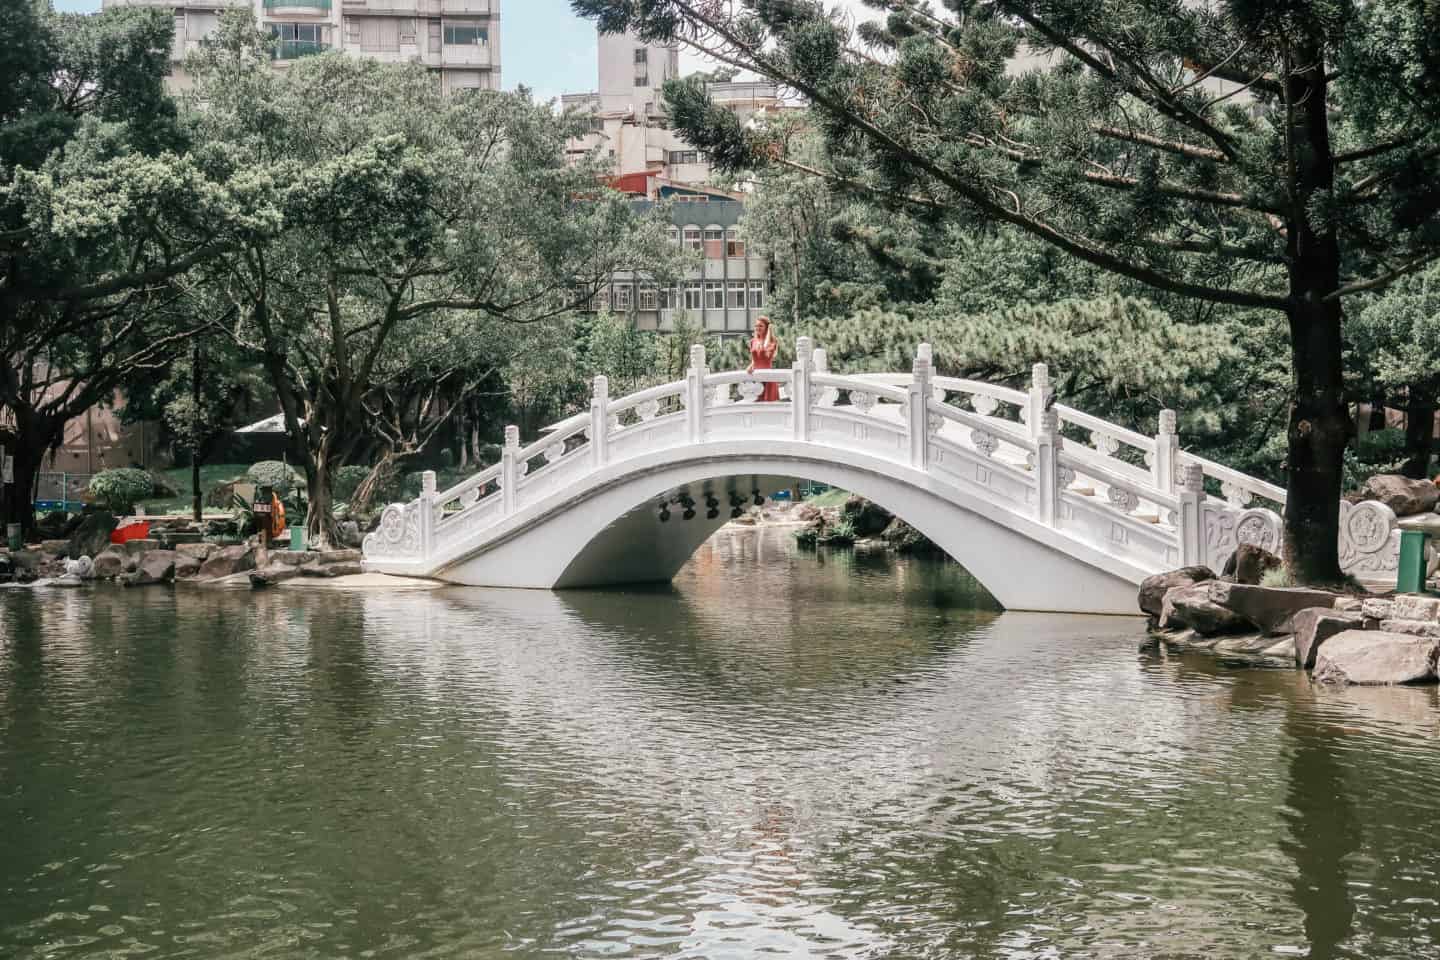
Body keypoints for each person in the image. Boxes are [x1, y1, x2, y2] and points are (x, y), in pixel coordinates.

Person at [747, 316, 780, 402]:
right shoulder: (752, 341)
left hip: (768, 378)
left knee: (768, 409)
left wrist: (768, 335)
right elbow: (755, 359)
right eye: (756, 326)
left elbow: (767, 356)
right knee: (756, 410)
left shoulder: (773, 341)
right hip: (756, 378)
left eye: (761, 326)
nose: (758, 328)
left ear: (767, 327)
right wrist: (750, 366)